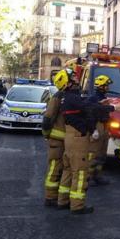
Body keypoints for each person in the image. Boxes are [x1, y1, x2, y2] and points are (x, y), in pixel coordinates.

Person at [57, 70, 113, 214]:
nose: (77, 78)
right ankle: (77, 206)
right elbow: (90, 107)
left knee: (68, 170)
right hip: (78, 139)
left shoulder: (66, 98)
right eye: (73, 77)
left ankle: (62, 201)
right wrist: (109, 107)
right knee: (80, 172)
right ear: (68, 83)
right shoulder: (73, 98)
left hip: (70, 137)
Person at [42, 70, 69, 208]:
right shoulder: (57, 97)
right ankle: (50, 197)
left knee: (62, 167)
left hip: (64, 141)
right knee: (54, 168)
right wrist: (47, 134)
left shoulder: (65, 97)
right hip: (57, 141)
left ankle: (58, 196)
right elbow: (47, 119)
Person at [87, 75, 115, 186]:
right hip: (97, 125)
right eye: (106, 85)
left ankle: (97, 175)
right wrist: (93, 129)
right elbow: (90, 114)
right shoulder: (93, 98)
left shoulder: (103, 97)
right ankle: (88, 177)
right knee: (94, 153)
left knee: (102, 153)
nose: (108, 87)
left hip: (104, 125)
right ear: (101, 86)